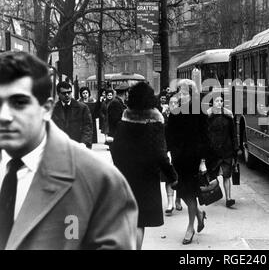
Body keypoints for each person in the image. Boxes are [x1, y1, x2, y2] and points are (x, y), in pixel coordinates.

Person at [0, 51, 138, 249]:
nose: (4, 115)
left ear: (46, 108)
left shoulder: (99, 179)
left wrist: (84, 143)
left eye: (19, 103)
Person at [110, 82, 178, 250]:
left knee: (129, 220)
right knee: (140, 223)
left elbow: (116, 150)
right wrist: (172, 176)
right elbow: (160, 155)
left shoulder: (123, 122)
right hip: (147, 179)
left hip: (126, 176)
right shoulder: (155, 124)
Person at [165, 79, 210, 245]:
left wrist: (203, 160)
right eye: (180, 93)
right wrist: (169, 153)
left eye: (184, 93)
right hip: (178, 158)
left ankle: (190, 227)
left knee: (190, 193)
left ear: (191, 94)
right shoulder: (175, 112)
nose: (181, 95)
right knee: (181, 191)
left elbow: (205, 137)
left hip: (193, 159)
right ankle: (198, 213)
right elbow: (169, 135)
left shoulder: (199, 112)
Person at [207, 94, 239, 208]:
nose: (219, 103)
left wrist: (236, 148)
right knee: (212, 176)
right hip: (213, 152)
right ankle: (214, 195)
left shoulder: (228, 117)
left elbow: (233, 133)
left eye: (221, 101)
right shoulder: (208, 117)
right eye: (217, 101)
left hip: (227, 151)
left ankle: (228, 198)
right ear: (212, 103)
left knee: (227, 175)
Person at [52, 81, 93, 149]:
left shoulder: (82, 108)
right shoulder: (53, 109)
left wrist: (84, 143)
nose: (67, 95)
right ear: (58, 94)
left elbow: (88, 127)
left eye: (69, 92)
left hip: (79, 145)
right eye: (64, 93)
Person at [162, 94, 182, 215]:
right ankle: (170, 203)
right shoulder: (163, 116)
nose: (173, 105)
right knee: (168, 177)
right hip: (166, 149)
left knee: (179, 176)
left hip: (178, 151)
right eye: (171, 103)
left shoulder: (182, 117)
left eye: (176, 103)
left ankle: (178, 199)